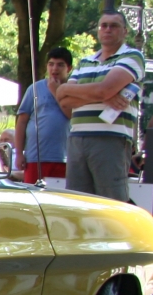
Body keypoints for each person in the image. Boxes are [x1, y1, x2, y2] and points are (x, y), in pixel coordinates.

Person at [54, 11, 144, 202]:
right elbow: (63, 98)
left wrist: (98, 92)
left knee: (111, 202)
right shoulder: (85, 61)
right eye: (103, 25)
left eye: (114, 25)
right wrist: (103, 95)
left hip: (111, 138)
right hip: (77, 139)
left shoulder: (132, 56)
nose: (107, 29)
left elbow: (104, 89)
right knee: (76, 202)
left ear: (125, 31)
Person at [15, 48, 73, 183]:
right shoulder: (34, 88)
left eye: (60, 65)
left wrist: (56, 92)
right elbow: (22, 121)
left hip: (63, 158)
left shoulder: (73, 88)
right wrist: (18, 154)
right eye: (51, 64)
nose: (55, 69)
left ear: (69, 68)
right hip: (36, 157)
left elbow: (72, 115)